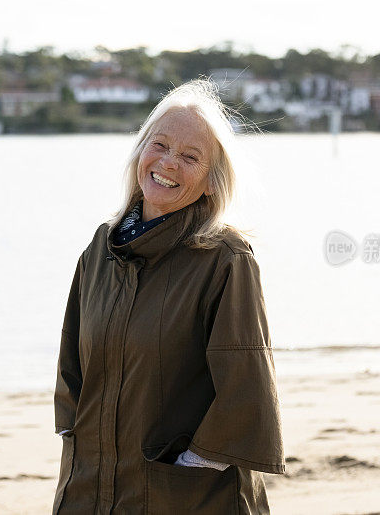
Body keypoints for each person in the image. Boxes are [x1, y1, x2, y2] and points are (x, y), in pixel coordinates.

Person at [53, 79, 285, 514]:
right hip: (89, 489)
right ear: (140, 152)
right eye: (159, 145)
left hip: (187, 496)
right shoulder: (102, 248)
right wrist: (74, 439)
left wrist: (193, 464)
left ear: (212, 182)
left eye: (190, 156)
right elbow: (72, 366)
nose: (168, 163)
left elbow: (246, 390)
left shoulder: (225, 259)